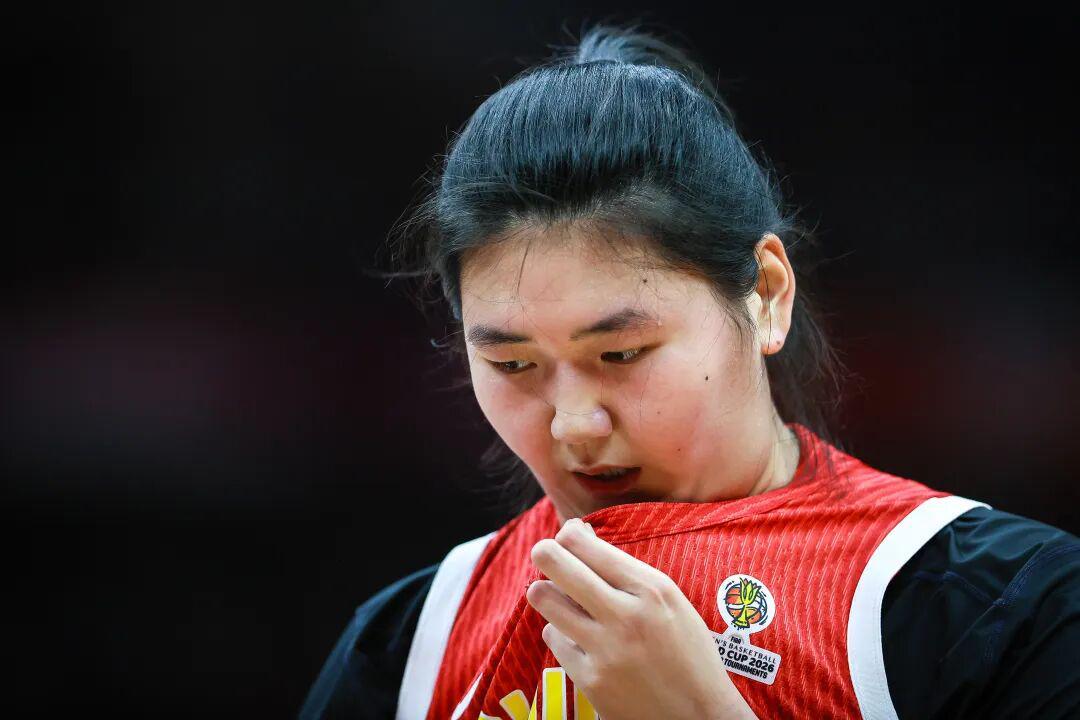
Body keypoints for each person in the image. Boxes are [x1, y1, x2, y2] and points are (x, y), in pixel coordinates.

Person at [299, 22, 1079, 720]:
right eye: (512, 363)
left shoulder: (1005, 607)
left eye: (621, 354)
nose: (574, 423)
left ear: (765, 294)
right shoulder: (413, 644)